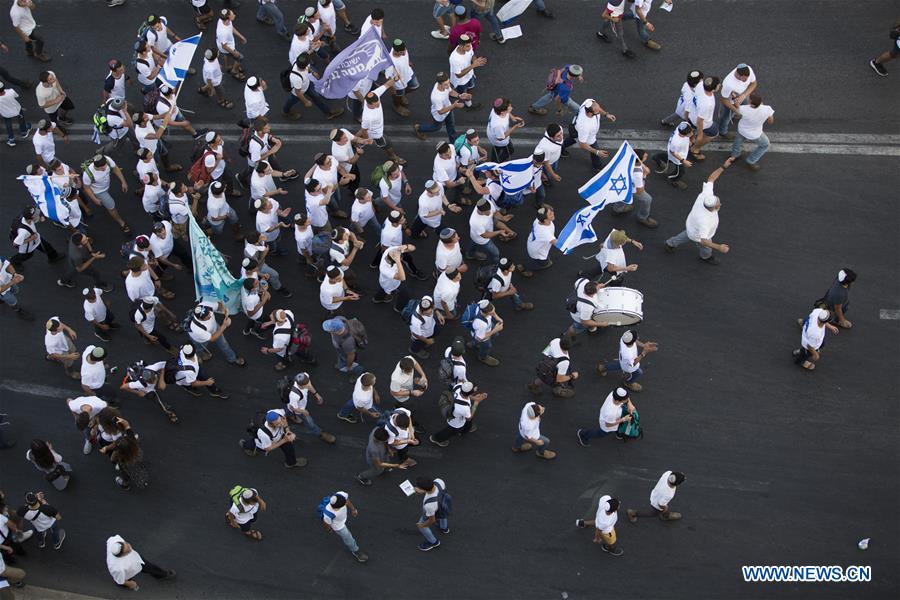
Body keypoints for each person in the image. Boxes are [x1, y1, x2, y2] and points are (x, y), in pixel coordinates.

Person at [664, 158, 735, 265]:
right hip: (698, 234)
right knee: (706, 247)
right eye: (719, 203)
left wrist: (724, 166)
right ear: (714, 208)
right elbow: (704, 241)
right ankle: (706, 257)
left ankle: (670, 243)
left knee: (687, 234)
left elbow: (711, 179)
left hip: (692, 226)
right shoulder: (704, 222)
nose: (720, 203)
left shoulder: (706, 196)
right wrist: (718, 247)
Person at [357, 75, 406, 164]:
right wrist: (367, 139)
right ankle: (393, 156)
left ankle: (354, 141)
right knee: (387, 145)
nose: (379, 103)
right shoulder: (367, 117)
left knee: (363, 129)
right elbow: (364, 130)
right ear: (370, 103)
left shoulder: (375, 95)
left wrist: (394, 79)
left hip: (374, 125)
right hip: (377, 134)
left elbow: (387, 85)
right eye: (376, 103)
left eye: (378, 101)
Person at [80, 154, 131, 234]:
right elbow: (86, 188)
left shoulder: (107, 160)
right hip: (99, 191)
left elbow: (115, 169)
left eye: (105, 166)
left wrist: (123, 182)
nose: (105, 168)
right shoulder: (88, 175)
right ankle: (122, 223)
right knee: (111, 206)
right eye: (102, 168)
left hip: (106, 185)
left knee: (108, 202)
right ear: (95, 166)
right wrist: (94, 199)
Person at [240, 409, 307, 468]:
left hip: (280, 436)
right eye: (278, 424)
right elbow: (267, 448)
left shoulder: (277, 412)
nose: (281, 424)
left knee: (289, 449)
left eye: (281, 420)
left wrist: (287, 430)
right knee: (254, 444)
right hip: (269, 442)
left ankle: (291, 463)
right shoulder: (263, 433)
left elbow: (284, 419)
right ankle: (245, 445)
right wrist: (285, 440)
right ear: (271, 425)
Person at [561, 99, 616, 170]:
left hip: (576, 131)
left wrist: (606, 114)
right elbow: (582, 144)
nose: (599, 112)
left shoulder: (589, 102)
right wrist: (597, 152)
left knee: (571, 139)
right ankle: (597, 166)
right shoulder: (585, 126)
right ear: (590, 113)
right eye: (597, 112)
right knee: (594, 148)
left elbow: (598, 109)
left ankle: (560, 148)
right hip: (588, 137)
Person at [105, 535, 175, 591]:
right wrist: (130, 584)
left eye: (127, 544)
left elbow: (109, 540)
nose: (130, 546)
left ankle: (161, 574)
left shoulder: (114, 540)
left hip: (137, 559)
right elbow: (120, 580)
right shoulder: (117, 568)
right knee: (122, 579)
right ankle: (124, 585)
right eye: (128, 550)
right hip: (128, 569)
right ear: (122, 555)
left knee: (149, 567)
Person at [283, 372, 336, 444]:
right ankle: (320, 433)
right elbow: (293, 408)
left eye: (308, 381)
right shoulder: (294, 395)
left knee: (287, 411)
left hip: (293, 405)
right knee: (310, 422)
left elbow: (309, 385)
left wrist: (316, 394)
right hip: (298, 409)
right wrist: (304, 412)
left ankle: (287, 416)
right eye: (306, 384)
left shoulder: (305, 376)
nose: (309, 384)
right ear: (300, 385)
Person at [428, 380, 485, 446]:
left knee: (466, 424)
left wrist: (474, 398)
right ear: (470, 393)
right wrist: (476, 403)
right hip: (456, 422)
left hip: (456, 412)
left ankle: (466, 428)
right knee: (452, 431)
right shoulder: (464, 408)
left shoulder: (458, 386)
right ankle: (436, 438)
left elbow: (466, 395)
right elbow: (469, 418)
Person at [727, 93, 775, 171]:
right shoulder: (767, 109)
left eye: (749, 99)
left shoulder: (743, 109)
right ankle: (751, 160)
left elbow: (736, 107)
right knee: (765, 145)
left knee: (738, 142)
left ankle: (735, 155)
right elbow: (770, 121)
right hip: (755, 134)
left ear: (750, 103)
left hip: (742, 130)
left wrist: (735, 98)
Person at [414, 72, 466, 142]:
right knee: (436, 127)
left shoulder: (444, 85)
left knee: (451, 127)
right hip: (439, 115)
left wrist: (459, 96)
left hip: (449, 109)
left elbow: (450, 92)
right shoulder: (436, 97)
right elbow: (440, 112)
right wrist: (454, 105)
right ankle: (419, 128)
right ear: (439, 84)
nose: (448, 86)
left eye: (448, 83)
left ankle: (453, 143)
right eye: (445, 84)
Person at [164, 343, 229, 399]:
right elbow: (194, 383)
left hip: (194, 370)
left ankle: (214, 391)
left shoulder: (183, 350)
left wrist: (197, 360)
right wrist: (207, 382)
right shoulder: (189, 371)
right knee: (190, 384)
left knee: (203, 377)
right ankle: (190, 389)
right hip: (186, 378)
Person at [610, 151, 656, 227]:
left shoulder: (628, 162)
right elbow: (640, 191)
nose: (647, 155)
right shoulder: (637, 174)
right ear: (639, 160)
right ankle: (642, 217)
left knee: (622, 196)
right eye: (644, 156)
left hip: (622, 185)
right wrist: (644, 175)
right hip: (632, 189)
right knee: (647, 199)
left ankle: (618, 209)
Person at [320, 492, 368, 563]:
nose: (346, 503)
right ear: (338, 507)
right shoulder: (328, 514)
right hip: (338, 526)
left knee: (347, 536)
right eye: (344, 504)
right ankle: (356, 551)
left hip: (342, 519)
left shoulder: (340, 495)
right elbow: (326, 523)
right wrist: (329, 529)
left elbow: (347, 500)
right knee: (348, 537)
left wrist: (353, 509)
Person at [684, 76, 721, 160]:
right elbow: (700, 120)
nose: (720, 85)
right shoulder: (707, 104)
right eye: (718, 85)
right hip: (704, 123)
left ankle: (691, 139)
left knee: (691, 129)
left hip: (691, 115)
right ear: (714, 89)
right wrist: (700, 135)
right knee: (714, 133)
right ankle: (695, 149)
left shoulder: (700, 85)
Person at [717, 63, 758, 137]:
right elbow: (724, 100)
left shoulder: (749, 69)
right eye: (744, 79)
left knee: (745, 106)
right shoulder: (728, 84)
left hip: (742, 94)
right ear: (738, 75)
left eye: (747, 78)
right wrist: (736, 110)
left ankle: (736, 114)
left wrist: (744, 95)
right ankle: (722, 131)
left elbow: (753, 83)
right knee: (726, 117)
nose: (746, 81)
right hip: (730, 100)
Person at [449, 34, 486, 111]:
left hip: (470, 75)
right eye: (467, 46)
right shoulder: (454, 59)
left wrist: (475, 61)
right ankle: (468, 105)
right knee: (462, 94)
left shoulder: (468, 47)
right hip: (461, 82)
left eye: (470, 45)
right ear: (460, 46)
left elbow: (472, 55)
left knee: (470, 87)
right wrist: (473, 65)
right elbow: (458, 75)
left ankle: (468, 102)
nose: (470, 47)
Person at [653, 121, 693, 190]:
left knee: (666, 157)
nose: (692, 133)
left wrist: (689, 140)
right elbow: (673, 153)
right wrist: (683, 161)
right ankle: (673, 179)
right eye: (690, 133)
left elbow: (687, 127)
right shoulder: (676, 142)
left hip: (675, 151)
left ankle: (656, 158)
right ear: (684, 134)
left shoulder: (683, 125)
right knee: (681, 172)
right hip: (677, 157)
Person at [414, 477, 449, 551]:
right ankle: (444, 528)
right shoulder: (439, 481)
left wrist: (422, 525)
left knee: (422, 525)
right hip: (442, 505)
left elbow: (431, 520)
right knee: (442, 515)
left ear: (424, 490)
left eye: (418, 488)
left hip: (432, 509)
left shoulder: (429, 506)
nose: (415, 488)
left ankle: (433, 542)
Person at [486, 97, 524, 163]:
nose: (511, 108)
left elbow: (507, 113)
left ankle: (493, 161)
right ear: (502, 112)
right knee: (510, 150)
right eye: (509, 107)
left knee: (496, 149)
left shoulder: (496, 109)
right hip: (499, 141)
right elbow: (501, 138)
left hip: (493, 134)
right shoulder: (498, 125)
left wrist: (513, 117)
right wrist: (515, 127)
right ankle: (497, 163)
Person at [469, 299, 503, 366]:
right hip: (481, 333)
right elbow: (480, 338)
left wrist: (496, 317)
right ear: (486, 313)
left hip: (487, 326)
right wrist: (495, 330)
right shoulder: (481, 324)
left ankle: (473, 344)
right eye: (491, 313)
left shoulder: (482, 304)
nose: (493, 313)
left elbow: (492, 311)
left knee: (495, 334)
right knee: (487, 345)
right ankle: (482, 357)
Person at [0, 81, 30, 147]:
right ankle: (24, 132)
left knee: (8, 125)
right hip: (16, 110)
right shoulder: (10, 91)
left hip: (6, 114)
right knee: (21, 121)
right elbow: (17, 96)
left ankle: (11, 139)